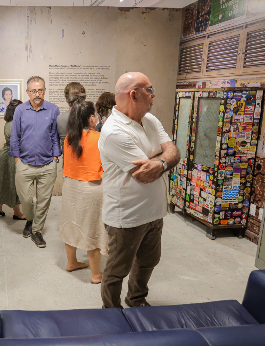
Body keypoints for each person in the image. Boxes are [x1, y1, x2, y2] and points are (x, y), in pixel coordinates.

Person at [99, 72, 180, 308]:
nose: (153, 95)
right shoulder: (114, 131)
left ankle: (136, 300)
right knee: (117, 271)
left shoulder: (150, 120)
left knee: (148, 262)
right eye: (149, 89)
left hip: (154, 213)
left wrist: (160, 161)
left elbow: (173, 152)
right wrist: (161, 158)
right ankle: (111, 312)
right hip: (127, 217)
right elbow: (145, 175)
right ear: (134, 94)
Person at [10, 76, 60, 248]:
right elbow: (14, 136)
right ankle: (30, 220)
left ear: (44, 91)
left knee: (44, 200)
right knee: (26, 200)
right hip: (24, 163)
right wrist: (17, 159)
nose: (37, 94)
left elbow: (55, 136)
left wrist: (55, 157)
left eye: (40, 90)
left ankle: (36, 231)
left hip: (47, 164)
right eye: (33, 91)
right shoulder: (20, 110)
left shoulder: (53, 110)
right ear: (27, 92)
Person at [60, 100, 106, 284]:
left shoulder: (69, 138)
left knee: (70, 223)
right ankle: (96, 275)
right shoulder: (99, 138)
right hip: (92, 187)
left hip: (70, 186)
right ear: (92, 118)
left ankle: (72, 262)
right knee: (92, 228)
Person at [0, 99, 26, 220]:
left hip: (6, 154)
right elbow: (17, 143)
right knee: (14, 184)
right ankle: (17, 212)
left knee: (3, 182)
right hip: (11, 155)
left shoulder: (11, 122)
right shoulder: (13, 124)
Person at [57, 82, 86, 151]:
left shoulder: (60, 118)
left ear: (67, 99)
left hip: (68, 158)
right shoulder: (94, 116)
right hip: (90, 158)